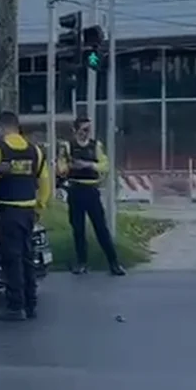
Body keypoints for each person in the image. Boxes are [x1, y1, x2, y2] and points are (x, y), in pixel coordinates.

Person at [0, 111, 51, 321]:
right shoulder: (35, 151)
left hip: (8, 211)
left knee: (12, 260)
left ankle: (14, 306)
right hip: (28, 211)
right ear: (18, 127)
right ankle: (31, 304)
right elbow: (45, 182)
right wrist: (40, 207)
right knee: (27, 258)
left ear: (1, 128)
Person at [57, 117, 125, 276]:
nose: (87, 133)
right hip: (75, 189)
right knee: (78, 229)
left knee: (101, 228)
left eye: (89, 130)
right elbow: (60, 167)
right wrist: (68, 167)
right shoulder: (67, 146)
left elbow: (105, 165)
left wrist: (88, 165)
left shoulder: (95, 145)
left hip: (91, 190)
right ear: (75, 130)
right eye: (84, 130)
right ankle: (82, 263)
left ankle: (114, 263)